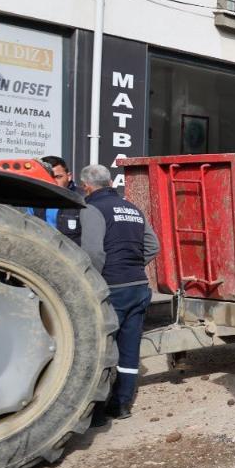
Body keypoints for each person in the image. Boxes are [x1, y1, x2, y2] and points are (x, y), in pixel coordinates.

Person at [78, 164, 159, 424]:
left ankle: (98, 413)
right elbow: (153, 246)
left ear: (86, 186)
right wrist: (132, 267)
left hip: (111, 289)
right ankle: (122, 404)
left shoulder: (92, 208)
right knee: (129, 349)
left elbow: (93, 253)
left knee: (103, 349)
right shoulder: (133, 209)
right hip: (138, 287)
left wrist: (96, 281)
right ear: (110, 182)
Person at [25, 156, 82, 244]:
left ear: (69, 176)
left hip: (73, 256)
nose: (53, 182)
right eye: (48, 177)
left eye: (58, 177)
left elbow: (91, 242)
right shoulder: (34, 201)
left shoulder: (83, 200)